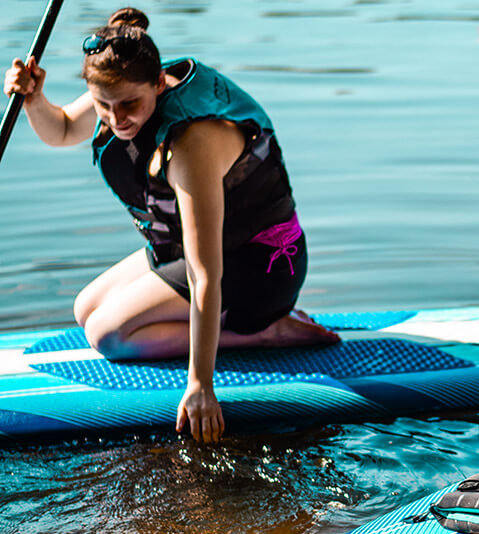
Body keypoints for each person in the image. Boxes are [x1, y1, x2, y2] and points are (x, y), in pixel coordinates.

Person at [3, 7, 339, 444]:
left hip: (260, 267)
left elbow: (205, 275)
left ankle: (264, 330)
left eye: (129, 105)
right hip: (193, 249)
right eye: (103, 106)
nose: (116, 118)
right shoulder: (119, 86)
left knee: (109, 336)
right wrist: (33, 100)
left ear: (159, 83)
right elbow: (64, 129)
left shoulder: (192, 142)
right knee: (86, 308)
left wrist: (201, 385)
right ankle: (249, 326)